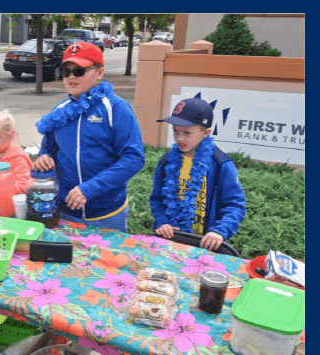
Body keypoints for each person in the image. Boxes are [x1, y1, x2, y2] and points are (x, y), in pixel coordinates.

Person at [33, 42, 145, 231]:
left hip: (107, 214)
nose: (71, 77)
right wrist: (44, 156)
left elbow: (134, 158)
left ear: (99, 73)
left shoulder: (116, 108)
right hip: (65, 210)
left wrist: (91, 188)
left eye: (78, 71)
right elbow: (49, 147)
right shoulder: (60, 111)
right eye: (66, 72)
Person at [149, 97, 246, 251]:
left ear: (206, 132)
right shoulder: (166, 162)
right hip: (171, 241)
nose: (179, 138)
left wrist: (220, 231)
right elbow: (156, 199)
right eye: (175, 130)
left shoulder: (221, 164)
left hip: (207, 244)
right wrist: (162, 222)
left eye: (187, 133)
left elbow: (235, 206)